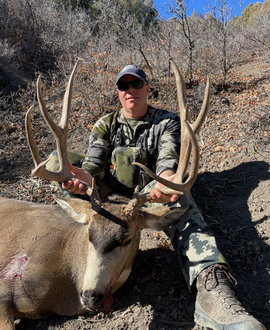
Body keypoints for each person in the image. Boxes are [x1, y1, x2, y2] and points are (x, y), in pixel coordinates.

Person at [50, 65, 266, 330]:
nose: (130, 90)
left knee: (180, 200)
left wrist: (167, 183)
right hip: (108, 200)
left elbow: (167, 161)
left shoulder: (166, 121)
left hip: (147, 198)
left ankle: (211, 285)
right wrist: (80, 178)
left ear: (146, 88)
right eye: (124, 86)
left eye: (136, 84)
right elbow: (94, 164)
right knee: (56, 163)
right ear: (118, 92)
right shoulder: (105, 124)